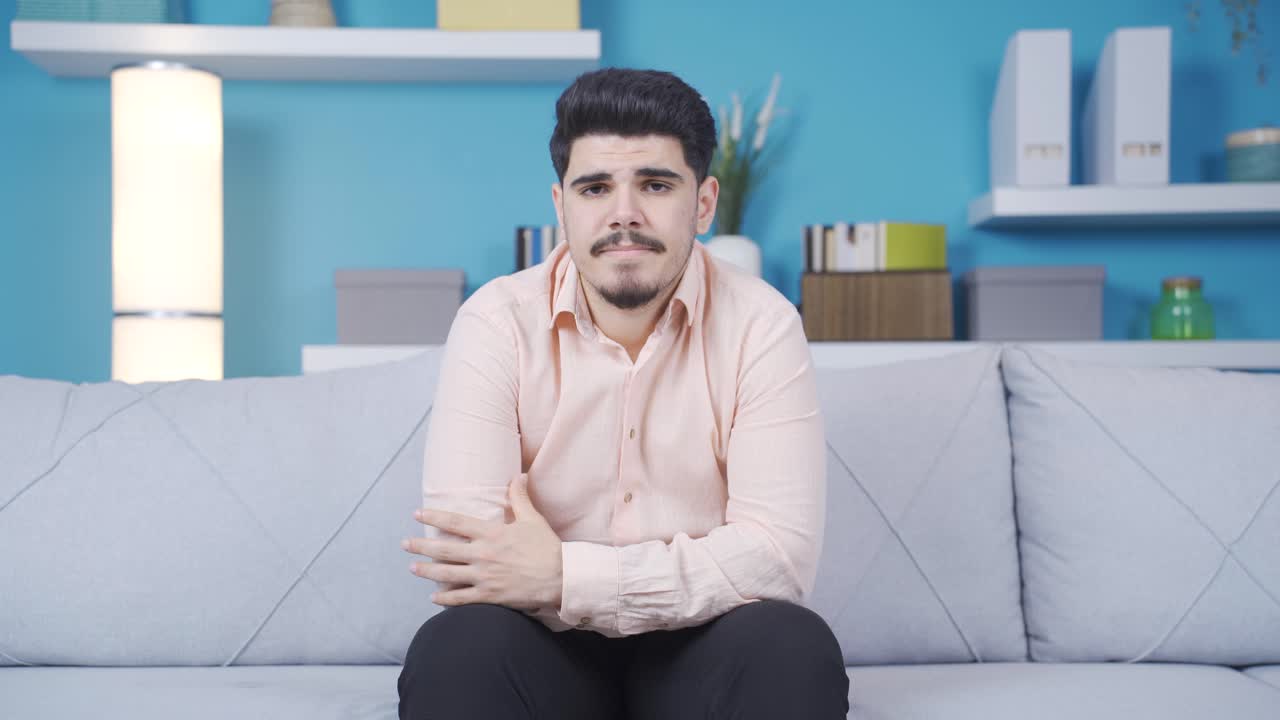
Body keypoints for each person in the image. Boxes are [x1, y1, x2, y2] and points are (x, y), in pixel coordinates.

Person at [397, 67, 849, 719]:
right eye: (595, 187)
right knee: (457, 647)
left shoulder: (762, 325)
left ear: (703, 202)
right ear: (561, 206)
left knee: (793, 645)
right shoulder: (496, 322)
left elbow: (777, 560)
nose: (624, 214)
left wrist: (562, 575)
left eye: (656, 184)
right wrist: (682, 570)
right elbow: (473, 563)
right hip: (545, 649)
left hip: (706, 645)